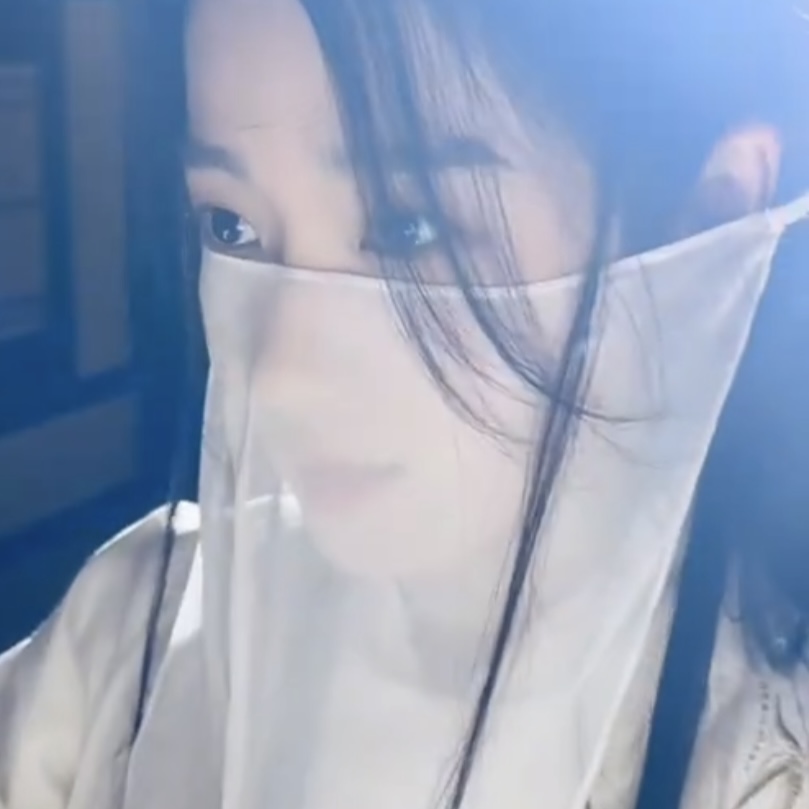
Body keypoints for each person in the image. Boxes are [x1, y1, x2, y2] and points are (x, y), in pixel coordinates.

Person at [2, 0, 809, 806]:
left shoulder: (762, 764)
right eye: (230, 226)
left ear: (707, 213)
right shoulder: (135, 626)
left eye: (408, 226)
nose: (276, 371)